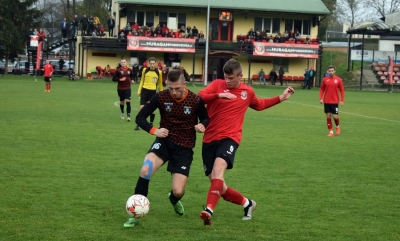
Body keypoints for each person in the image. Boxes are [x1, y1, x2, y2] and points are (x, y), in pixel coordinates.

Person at [197, 59, 295, 226]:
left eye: (231, 78)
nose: (227, 81)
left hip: (230, 138)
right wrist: (219, 94)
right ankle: (248, 204)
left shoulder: (247, 92)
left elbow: (259, 105)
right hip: (209, 139)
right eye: (226, 77)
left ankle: (208, 210)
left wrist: (281, 97)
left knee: (219, 168)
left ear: (240, 76)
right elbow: (199, 98)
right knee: (219, 186)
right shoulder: (217, 85)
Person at [123, 69, 209, 228]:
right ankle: (136, 214)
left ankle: (174, 199)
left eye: (177, 88)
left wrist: (202, 124)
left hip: (184, 147)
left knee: (178, 191)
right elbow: (140, 117)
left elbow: (205, 117)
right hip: (164, 142)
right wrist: (154, 130)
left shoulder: (195, 100)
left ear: (185, 84)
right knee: (145, 170)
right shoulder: (161, 97)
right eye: (170, 88)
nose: (174, 92)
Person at [135, 57, 163, 130]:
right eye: (151, 63)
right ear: (149, 63)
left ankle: (151, 123)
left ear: (155, 63)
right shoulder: (145, 70)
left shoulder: (159, 72)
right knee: (141, 108)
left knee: (153, 110)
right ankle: (139, 124)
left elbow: (160, 84)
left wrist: (162, 92)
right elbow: (142, 81)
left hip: (153, 92)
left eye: (153, 64)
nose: (152, 65)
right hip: (144, 90)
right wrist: (139, 90)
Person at [319, 65, 345, 137]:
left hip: (334, 101)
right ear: (328, 71)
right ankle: (330, 131)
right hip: (326, 101)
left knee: (335, 116)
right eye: (329, 71)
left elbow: (342, 90)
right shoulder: (325, 79)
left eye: (332, 71)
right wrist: (321, 98)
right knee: (328, 116)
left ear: (334, 71)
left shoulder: (339, 80)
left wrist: (342, 100)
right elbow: (322, 89)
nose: (330, 72)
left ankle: (337, 126)